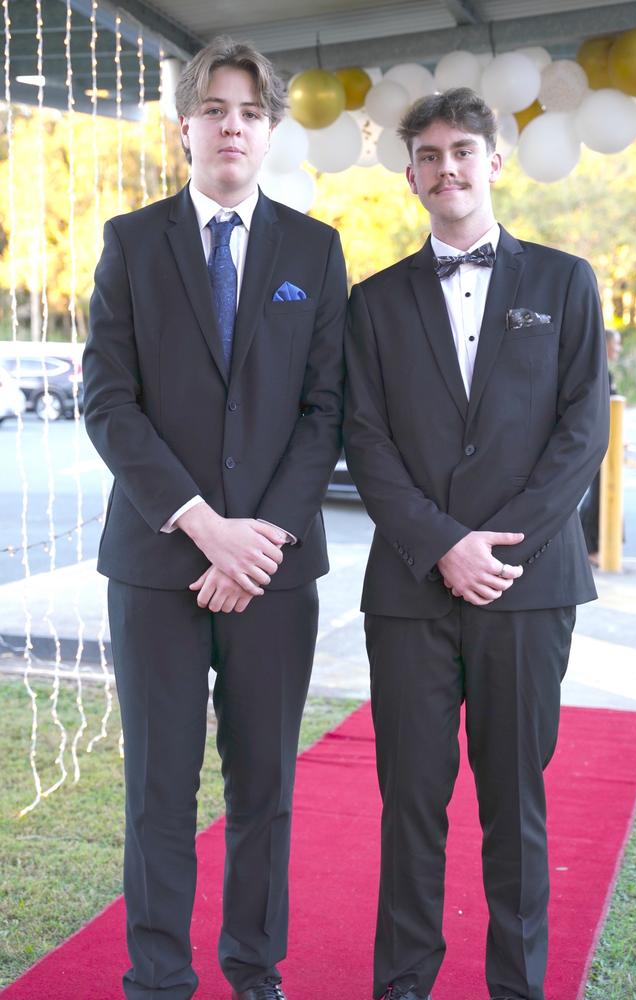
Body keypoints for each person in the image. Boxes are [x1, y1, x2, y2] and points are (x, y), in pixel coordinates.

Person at [83, 37, 346, 1000]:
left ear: (269, 130)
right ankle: (157, 977)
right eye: (215, 108)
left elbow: (327, 414)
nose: (231, 124)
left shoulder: (315, 251)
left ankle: (254, 969)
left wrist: (256, 542)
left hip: (274, 571)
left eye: (249, 111)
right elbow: (108, 401)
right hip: (157, 564)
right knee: (158, 788)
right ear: (183, 126)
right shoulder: (129, 241)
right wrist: (204, 525)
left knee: (263, 789)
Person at [343, 88, 609, 1000]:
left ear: (494, 161)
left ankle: (518, 988)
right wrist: (442, 544)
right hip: (411, 593)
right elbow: (365, 441)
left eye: (462, 150)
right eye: (428, 154)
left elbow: (582, 434)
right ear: (411, 174)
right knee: (410, 808)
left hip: (528, 591)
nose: (446, 167)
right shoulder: (372, 303)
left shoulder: (567, 282)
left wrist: (495, 549)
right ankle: (404, 984)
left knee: (515, 807)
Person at [579, 327, 621, 560]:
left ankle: (594, 545)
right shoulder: (598, 372)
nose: (618, 348)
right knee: (597, 495)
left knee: (599, 493)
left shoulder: (606, 373)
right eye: (616, 343)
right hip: (597, 442)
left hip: (606, 441)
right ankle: (592, 546)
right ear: (605, 343)